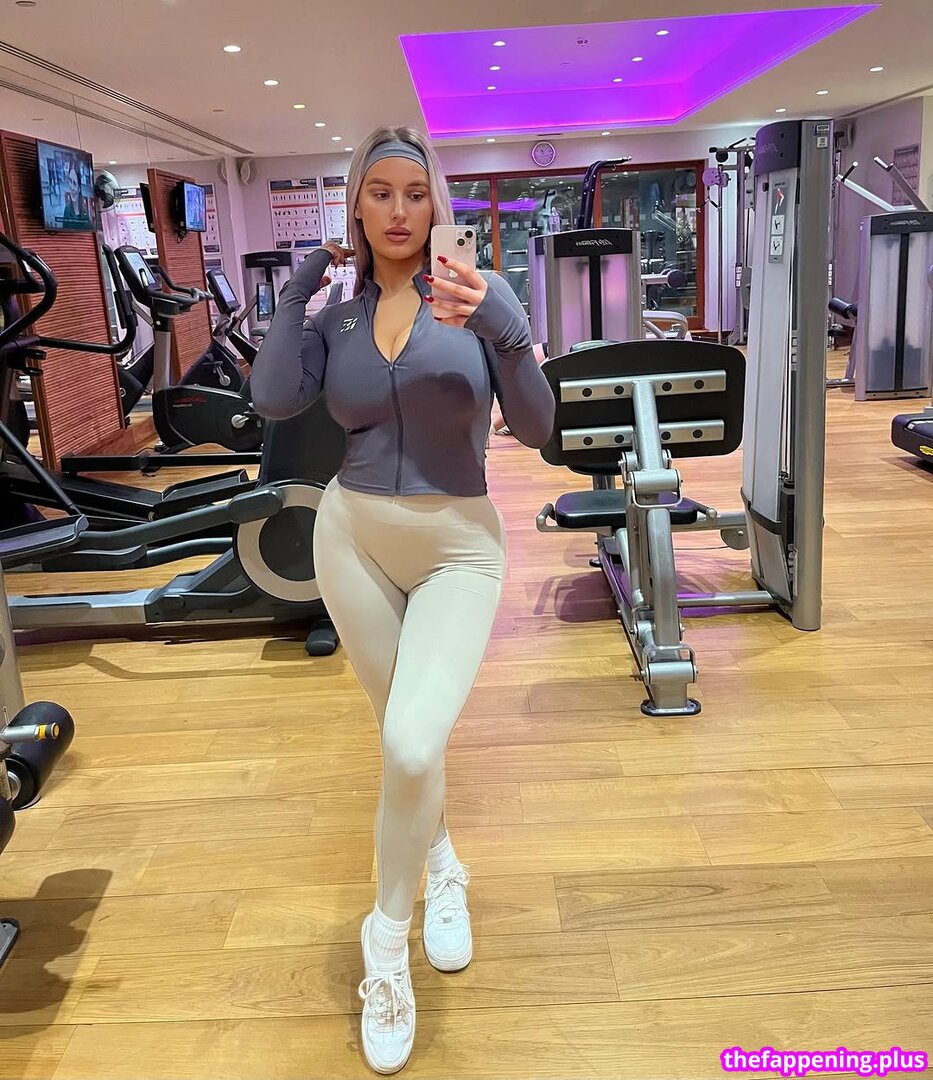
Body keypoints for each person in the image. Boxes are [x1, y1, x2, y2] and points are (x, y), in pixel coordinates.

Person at [250, 126, 555, 1075]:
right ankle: (442, 863)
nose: (397, 211)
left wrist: (508, 330)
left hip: (459, 546)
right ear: (355, 205)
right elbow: (272, 398)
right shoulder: (338, 321)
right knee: (400, 737)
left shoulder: (476, 297)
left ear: (436, 204)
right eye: (377, 192)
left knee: (414, 744)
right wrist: (295, 295)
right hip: (350, 538)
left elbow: (540, 429)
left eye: (413, 193)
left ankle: (384, 945)